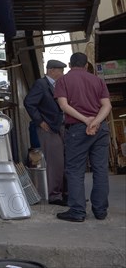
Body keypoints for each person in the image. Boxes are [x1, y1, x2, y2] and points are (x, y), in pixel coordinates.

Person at [54, 52, 112, 222]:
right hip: (100, 129)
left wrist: (87, 120)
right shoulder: (98, 80)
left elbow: (64, 106)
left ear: (70, 64)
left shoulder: (63, 81)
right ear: (86, 65)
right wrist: (96, 122)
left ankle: (78, 211)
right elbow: (106, 105)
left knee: (74, 170)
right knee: (100, 169)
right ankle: (100, 211)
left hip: (77, 129)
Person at [24, 59, 67, 205]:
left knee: (65, 161)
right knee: (55, 162)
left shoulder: (58, 85)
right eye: (60, 71)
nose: (62, 74)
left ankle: (65, 193)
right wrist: (40, 121)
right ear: (52, 70)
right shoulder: (41, 84)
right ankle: (55, 195)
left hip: (60, 127)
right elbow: (29, 102)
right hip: (48, 128)